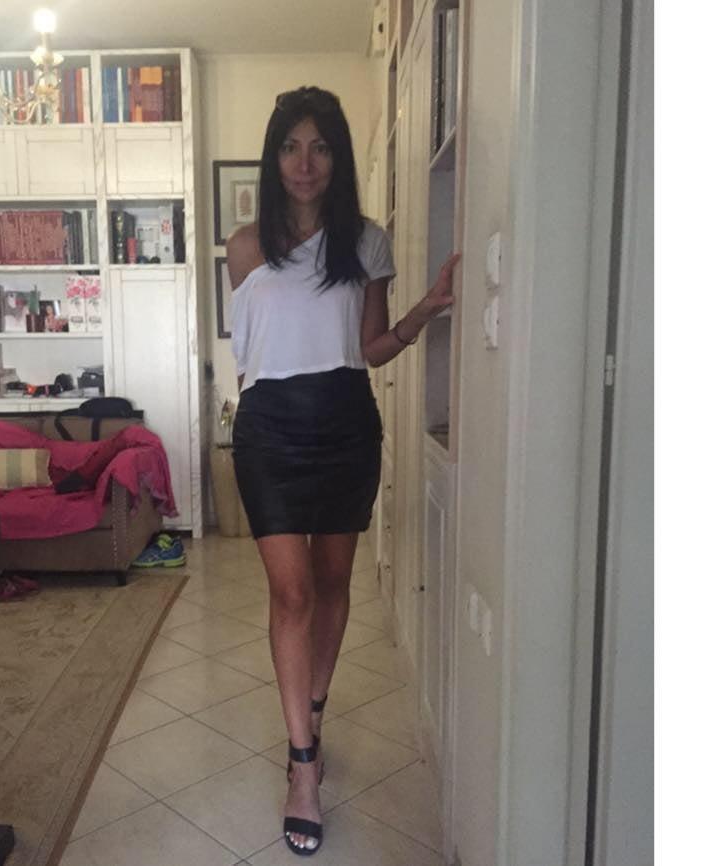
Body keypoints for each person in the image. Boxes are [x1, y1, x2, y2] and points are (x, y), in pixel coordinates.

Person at [226, 86, 459, 856]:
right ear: (273, 157)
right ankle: (302, 767)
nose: (305, 163)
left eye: (320, 146)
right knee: (290, 593)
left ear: (338, 157)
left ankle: (314, 718)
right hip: (269, 430)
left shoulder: (366, 242)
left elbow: (369, 347)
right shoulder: (245, 247)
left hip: (345, 425)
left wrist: (423, 312)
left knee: (331, 586)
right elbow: (255, 356)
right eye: (291, 146)